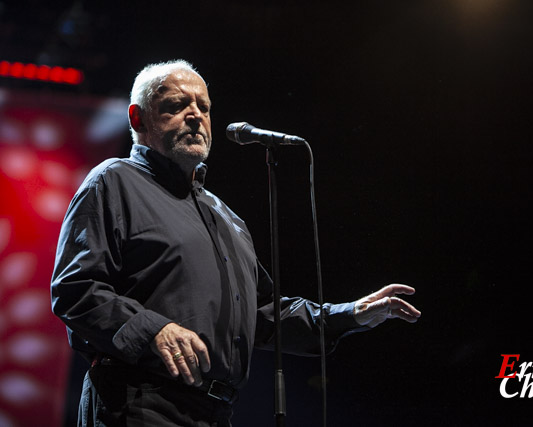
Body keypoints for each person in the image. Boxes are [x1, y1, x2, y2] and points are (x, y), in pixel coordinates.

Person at [51, 60, 421, 426]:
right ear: (138, 119)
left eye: (204, 107)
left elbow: (263, 316)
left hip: (215, 413)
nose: (195, 115)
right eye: (177, 105)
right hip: (140, 404)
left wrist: (350, 313)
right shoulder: (113, 181)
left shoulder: (226, 217)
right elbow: (75, 289)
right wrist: (153, 330)